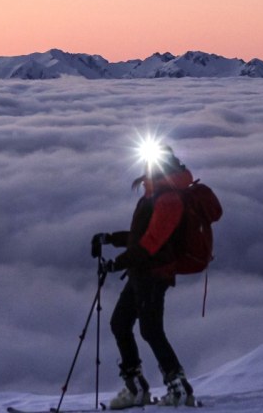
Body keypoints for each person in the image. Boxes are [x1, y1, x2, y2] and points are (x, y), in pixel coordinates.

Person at [92, 145, 197, 409]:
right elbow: (141, 238)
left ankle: (179, 389)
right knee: (120, 323)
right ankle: (137, 388)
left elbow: (152, 243)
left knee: (150, 330)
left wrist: (117, 263)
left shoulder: (168, 198)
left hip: (154, 274)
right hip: (141, 272)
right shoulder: (153, 193)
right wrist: (111, 239)